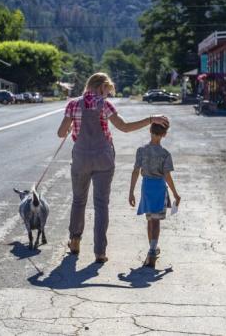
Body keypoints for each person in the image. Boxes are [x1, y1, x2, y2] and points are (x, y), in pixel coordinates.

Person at [56, 73, 168, 263]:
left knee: (78, 200)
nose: (107, 95)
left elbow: (60, 133)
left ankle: (75, 241)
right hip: (103, 158)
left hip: (81, 158)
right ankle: (100, 252)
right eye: (107, 90)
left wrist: (69, 129)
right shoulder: (105, 106)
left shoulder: (73, 104)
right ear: (101, 87)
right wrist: (151, 119)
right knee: (101, 205)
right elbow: (124, 127)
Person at [128, 120, 180, 267]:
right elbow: (167, 176)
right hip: (159, 187)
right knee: (156, 220)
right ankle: (152, 250)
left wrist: (131, 192)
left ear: (150, 131)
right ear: (164, 134)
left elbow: (136, 171)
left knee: (150, 219)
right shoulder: (165, 154)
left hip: (146, 186)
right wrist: (175, 193)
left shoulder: (141, 150)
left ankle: (152, 249)